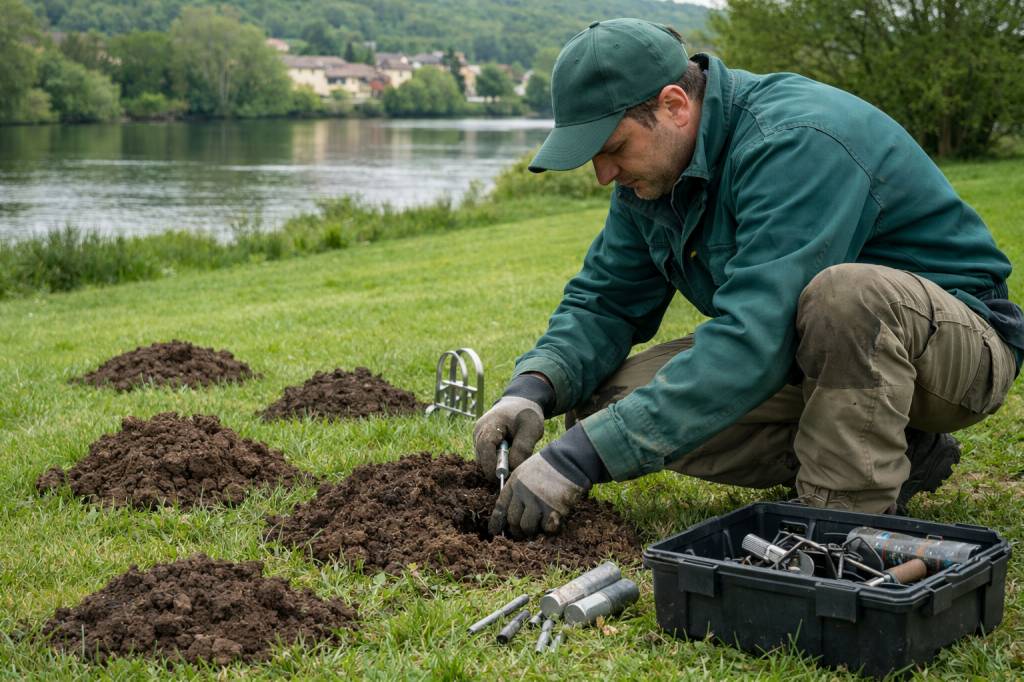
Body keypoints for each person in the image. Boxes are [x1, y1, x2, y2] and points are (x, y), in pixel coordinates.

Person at [475, 18, 1023, 538]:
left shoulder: (793, 140)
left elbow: (755, 338)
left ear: (674, 105)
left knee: (845, 295)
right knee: (601, 406)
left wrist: (580, 460)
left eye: (614, 149)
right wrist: (533, 388)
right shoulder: (653, 178)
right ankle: (904, 451)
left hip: (954, 350)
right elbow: (606, 302)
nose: (603, 175)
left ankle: (840, 517)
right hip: (813, 350)